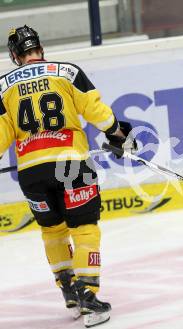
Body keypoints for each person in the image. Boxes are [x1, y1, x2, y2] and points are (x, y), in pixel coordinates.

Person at [0, 25, 136, 328]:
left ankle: (68, 291)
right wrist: (117, 134)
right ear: (40, 48)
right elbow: (95, 110)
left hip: (32, 173)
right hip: (71, 164)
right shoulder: (66, 71)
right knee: (84, 227)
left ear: (14, 55)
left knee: (52, 231)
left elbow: (1, 133)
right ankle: (88, 295)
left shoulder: (2, 86)